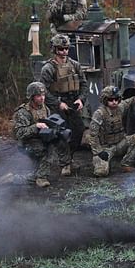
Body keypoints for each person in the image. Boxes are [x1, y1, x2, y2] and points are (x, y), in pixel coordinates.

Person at [39, 33, 87, 175]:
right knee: (61, 134)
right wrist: (57, 103)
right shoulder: (48, 68)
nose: (64, 52)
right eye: (60, 49)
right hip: (57, 104)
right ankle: (65, 163)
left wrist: (81, 99)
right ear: (54, 50)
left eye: (66, 49)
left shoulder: (75, 65)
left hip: (73, 103)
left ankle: (69, 157)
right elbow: (43, 90)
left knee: (78, 130)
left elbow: (84, 84)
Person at [8, 81, 70, 188]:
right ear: (31, 97)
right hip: (26, 143)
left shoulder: (44, 108)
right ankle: (40, 177)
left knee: (58, 142)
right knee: (47, 151)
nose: (42, 98)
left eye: (43, 95)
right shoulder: (23, 112)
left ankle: (28, 175)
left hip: (40, 139)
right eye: (38, 96)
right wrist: (36, 126)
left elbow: (49, 122)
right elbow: (19, 133)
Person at [88, 86, 135, 177]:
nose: (114, 102)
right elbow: (93, 135)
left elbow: (129, 101)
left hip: (120, 143)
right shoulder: (99, 114)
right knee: (101, 172)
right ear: (105, 100)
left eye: (116, 99)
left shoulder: (120, 108)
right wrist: (99, 151)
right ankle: (104, 163)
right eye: (111, 100)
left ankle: (126, 164)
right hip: (106, 148)